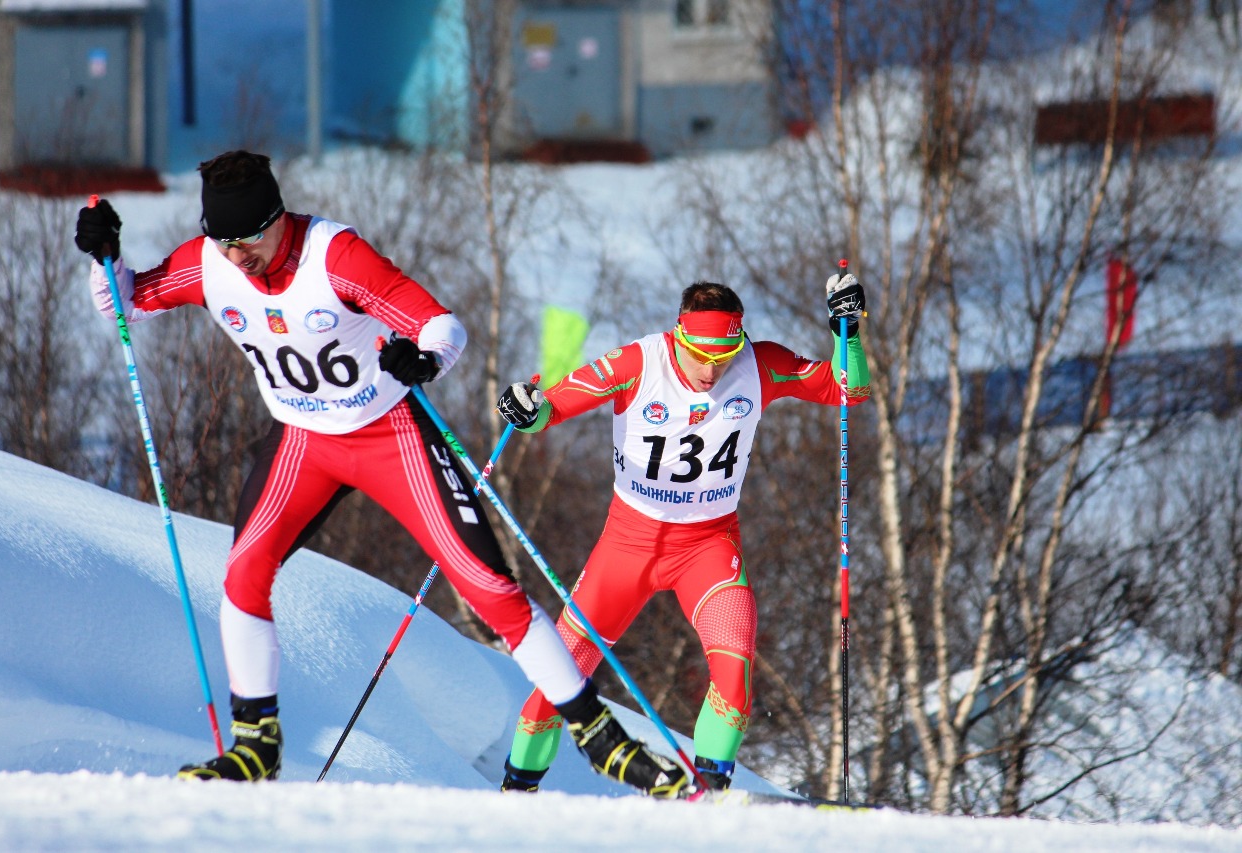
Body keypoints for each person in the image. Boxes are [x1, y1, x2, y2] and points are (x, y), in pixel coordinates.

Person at [73, 149, 688, 797]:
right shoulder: (210, 263)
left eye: (249, 238)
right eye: (223, 242)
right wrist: (104, 257)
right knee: (243, 574)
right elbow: (127, 304)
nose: (238, 256)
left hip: (386, 433)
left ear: (278, 219)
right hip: (303, 438)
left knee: (487, 586)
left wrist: (424, 360)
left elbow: (442, 325)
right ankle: (257, 743)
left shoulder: (333, 255)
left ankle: (602, 740)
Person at [494, 277, 870, 792]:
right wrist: (524, 408)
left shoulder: (759, 364)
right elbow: (549, 410)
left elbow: (848, 389)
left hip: (708, 549)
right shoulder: (637, 363)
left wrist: (845, 332)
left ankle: (708, 795)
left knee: (735, 675)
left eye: (725, 357)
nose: (712, 370)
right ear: (679, 337)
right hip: (628, 548)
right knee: (558, 681)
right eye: (700, 356)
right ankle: (517, 789)